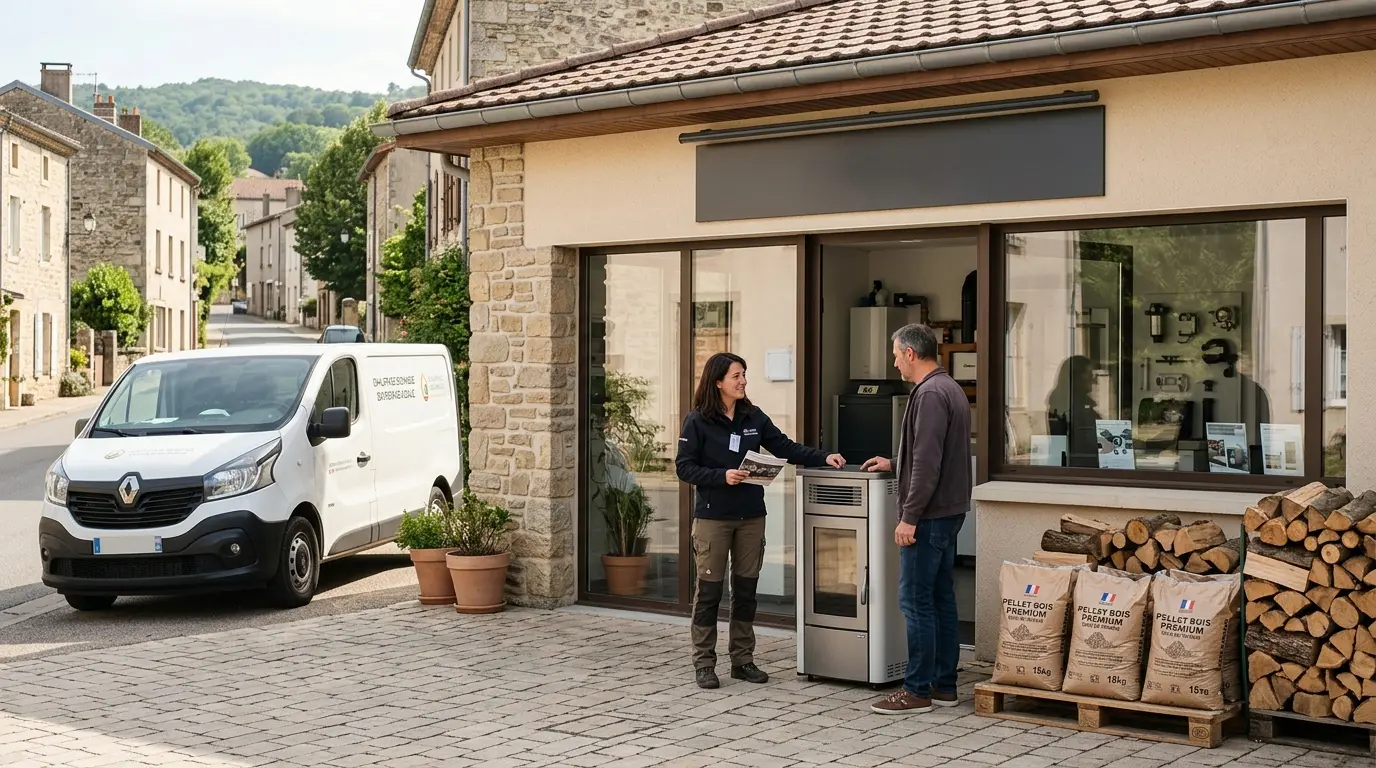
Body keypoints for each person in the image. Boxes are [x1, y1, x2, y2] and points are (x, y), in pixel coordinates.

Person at [677, 352, 845, 689]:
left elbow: (785, 447)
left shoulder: (753, 416)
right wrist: (721, 476)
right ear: (718, 382)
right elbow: (684, 467)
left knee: (746, 590)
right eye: (737, 376)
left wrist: (823, 456)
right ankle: (704, 664)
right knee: (708, 593)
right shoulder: (697, 421)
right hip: (713, 518)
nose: (743, 381)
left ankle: (742, 660)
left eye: (744, 375)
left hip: (751, 517)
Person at [861, 324, 972, 714]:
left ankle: (917, 690)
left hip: (928, 516)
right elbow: (931, 455)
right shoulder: (949, 388)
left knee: (915, 601)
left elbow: (927, 464)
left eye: (895, 354)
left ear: (911, 353)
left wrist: (909, 517)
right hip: (949, 512)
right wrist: (894, 463)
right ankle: (944, 686)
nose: (894, 362)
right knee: (941, 598)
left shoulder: (928, 395)